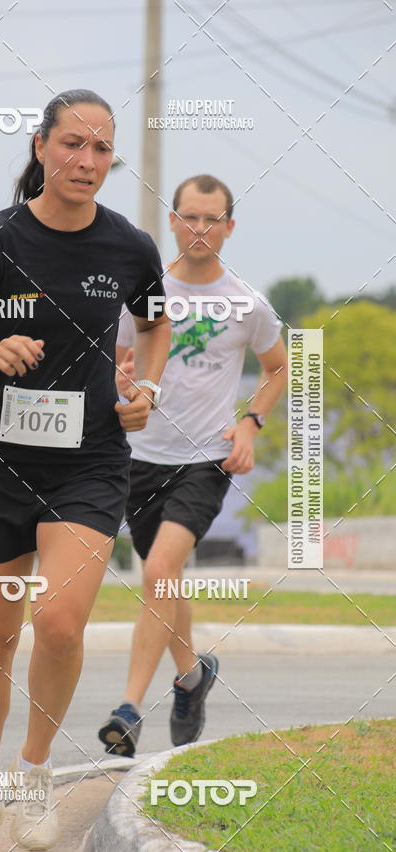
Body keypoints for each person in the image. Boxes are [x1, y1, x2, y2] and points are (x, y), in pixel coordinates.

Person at [0, 88, 171, 852]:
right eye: (72, 145)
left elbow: (155, 326)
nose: (87, 162)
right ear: (41, 148)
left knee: (59, 623)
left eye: (100, 149)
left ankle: (33, 774)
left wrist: (145, 389)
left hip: (89, 460)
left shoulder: (130, 247)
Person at [98, 174, 288, 757]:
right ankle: (191, 675)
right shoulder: (147, 292)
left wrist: (250, 424)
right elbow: (116, 357)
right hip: (140, 458)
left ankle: (128, 709)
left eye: (212, 219)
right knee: (164, 578)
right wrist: (120, 378)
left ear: (229, 227)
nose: (199, 229)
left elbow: (279, 367)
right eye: (189, 217)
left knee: (156, 572)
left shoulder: (246, 302)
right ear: (173, 221)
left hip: (206, 459)